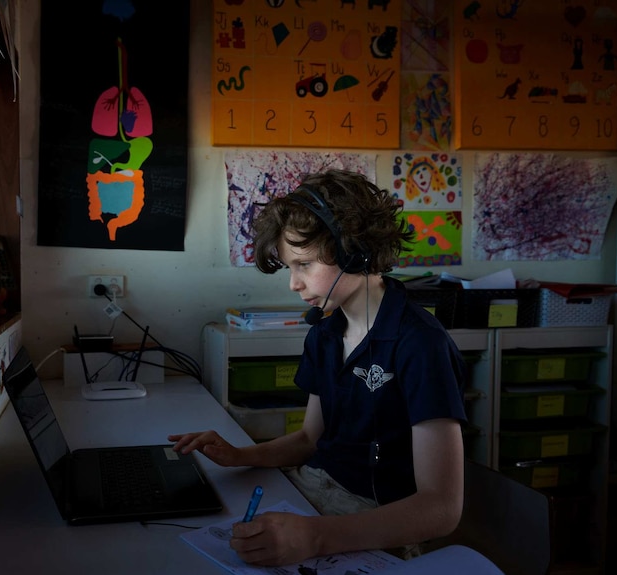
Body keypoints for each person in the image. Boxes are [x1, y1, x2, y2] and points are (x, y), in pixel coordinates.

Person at [169, 169, 467, 567]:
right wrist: (240, 455)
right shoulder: (325, 333)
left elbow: (442, 508)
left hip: (373, 521)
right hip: (311, 493)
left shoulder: (420, 344)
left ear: (354, 253)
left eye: (304, 264)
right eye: (291, 267)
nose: (293, 283)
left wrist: (315, 536)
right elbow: (310, 440)